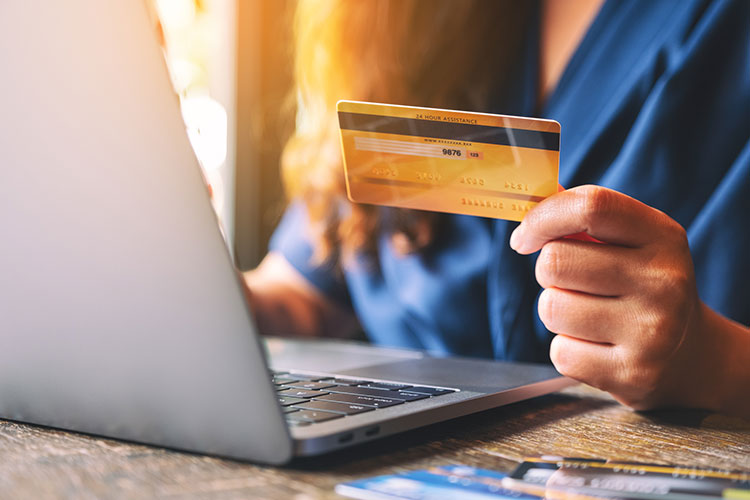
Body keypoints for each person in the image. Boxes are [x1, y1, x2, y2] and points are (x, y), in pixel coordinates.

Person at [244, 0, 750, 418]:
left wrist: (711, 363)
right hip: (392, 462)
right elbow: (299, 295)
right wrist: (191, 281)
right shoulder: (396, 23)